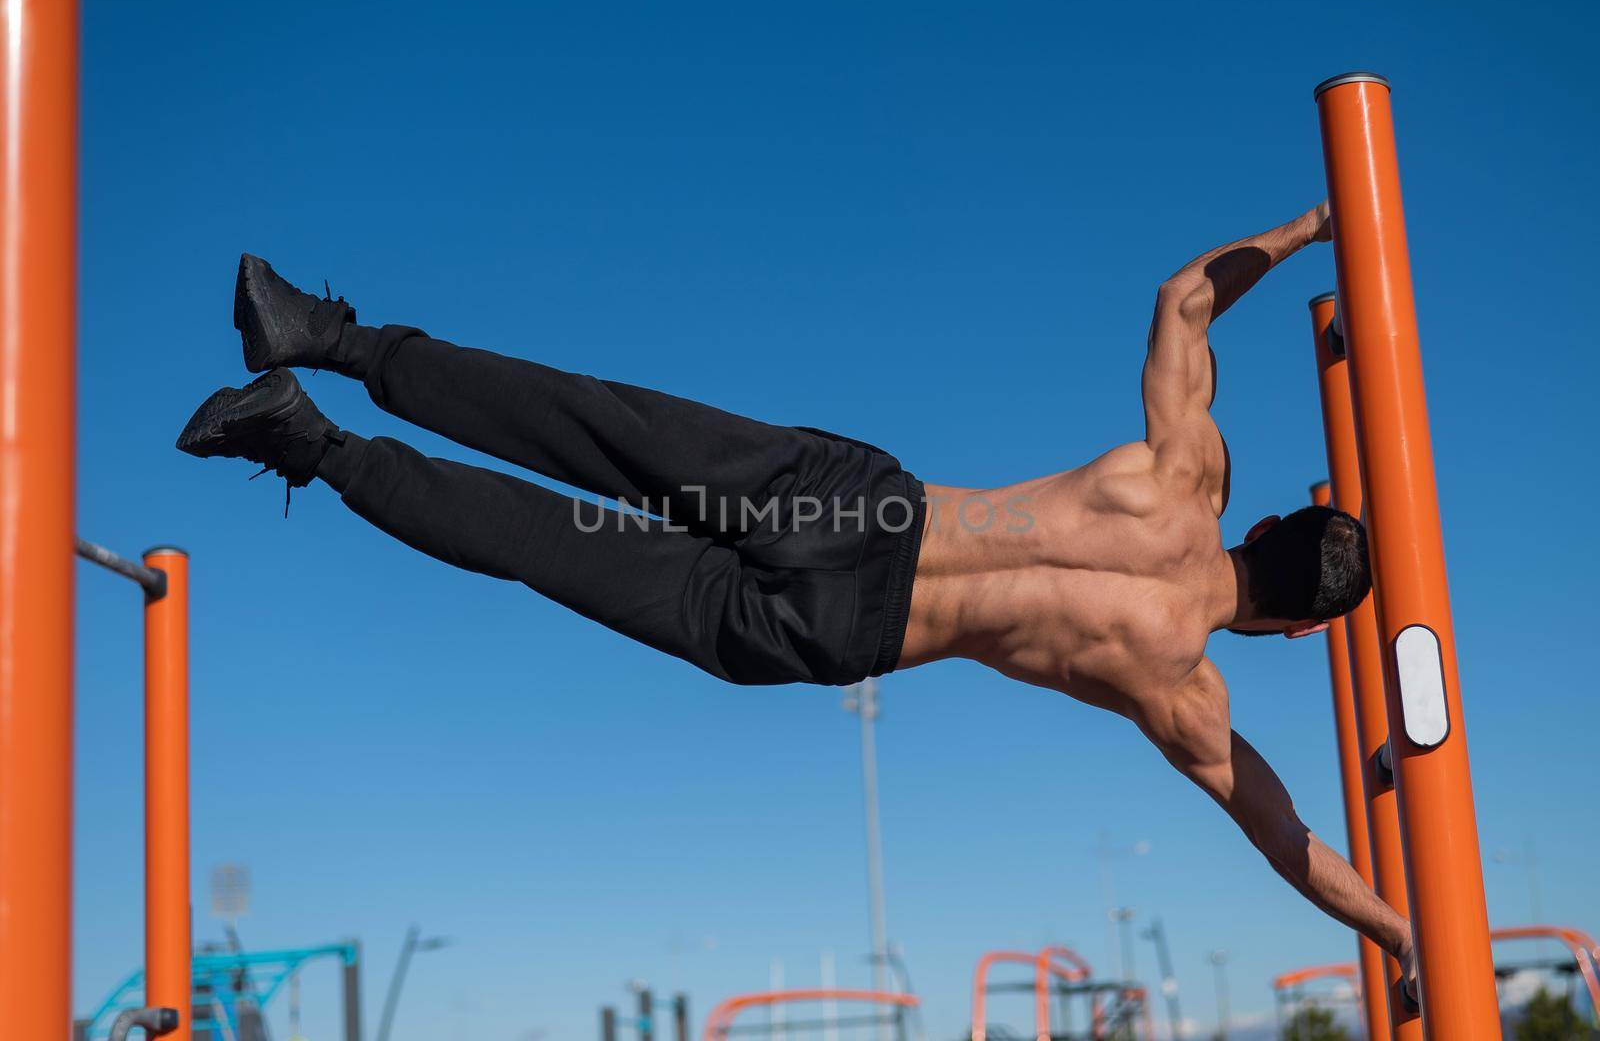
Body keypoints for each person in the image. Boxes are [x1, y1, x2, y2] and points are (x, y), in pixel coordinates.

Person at [179, 202, 1415, 981]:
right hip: (849, 627)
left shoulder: (1184, 476)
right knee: (545, 541)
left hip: (869, 506)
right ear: (1301, 629)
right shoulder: (1183, 690)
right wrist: (1403, 934)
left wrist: (1322, 223)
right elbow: (1288, 838)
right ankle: (307, 440)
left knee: (587, 421)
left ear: (1266, 516)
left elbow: (1182, 298)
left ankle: (323, 338)